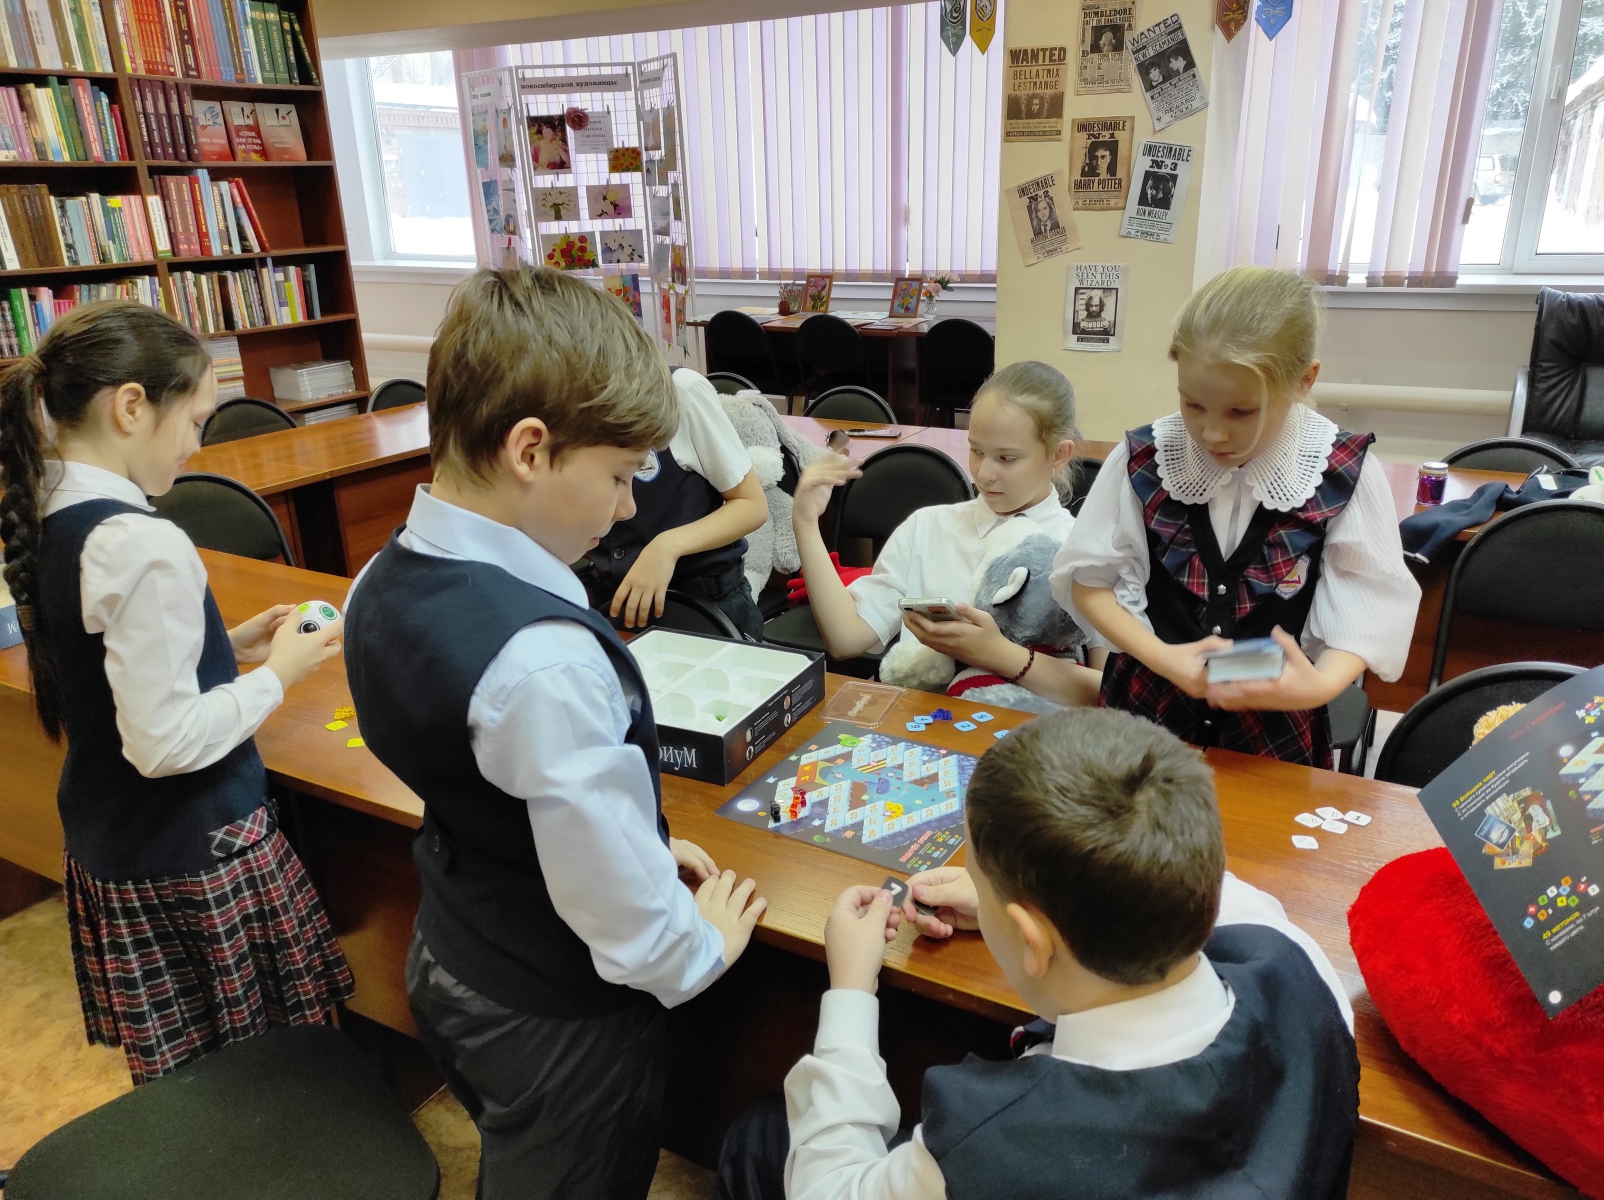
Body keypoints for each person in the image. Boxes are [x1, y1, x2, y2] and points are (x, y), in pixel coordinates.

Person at [342, 268, 767, 1200]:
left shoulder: (380, 578)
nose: (628, 508)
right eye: (618, 476)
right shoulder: (544, 660)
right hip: (557, 1023)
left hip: (450, 950)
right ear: (530, 450)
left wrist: (624, 838)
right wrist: (700, 944)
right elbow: (635, 931)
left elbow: (495, 779)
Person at [715, 707, 1359, 1200]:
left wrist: (851, 992)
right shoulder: (1300, 972)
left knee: (761, 1138)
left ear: (1031, 941)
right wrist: (1025, 902)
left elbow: (827, 1191)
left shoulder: (987, 1145)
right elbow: (1226, 890)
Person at [0, 301, 353, 1086]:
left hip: (114, 839)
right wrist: (278, 674)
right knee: (264, 1069)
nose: (198, 446)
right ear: (130, 407)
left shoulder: (50, 505)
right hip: (192, 852)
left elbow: (108, 661)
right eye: (193, 421)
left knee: (194, 1071)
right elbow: (163, 744)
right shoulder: (143, 543)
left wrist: (224, 644)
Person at [1051, 266, 1420, 766]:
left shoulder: (1339, 472)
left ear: (1304, 380)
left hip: (1271, 729)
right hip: (1144, 712)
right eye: (1192, 404)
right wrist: (1165, 658)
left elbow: (1367, 610)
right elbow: (1091, 585)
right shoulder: (1146, 457)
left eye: (1240, 412)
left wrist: (1317, 687)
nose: (1212, 433)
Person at [791, 361, 1101, 704]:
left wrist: (997, 654)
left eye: (1007, 458)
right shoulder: (927, 527)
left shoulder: (1081, 549)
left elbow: (1109, 693)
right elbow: (846, 638)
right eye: (976, 450)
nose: (984, 473)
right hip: (925, 721)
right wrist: (806, 522)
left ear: (1058, 454)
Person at [578, 367, 768, 639]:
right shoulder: (562, 399)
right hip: (617, 604)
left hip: (707, 604)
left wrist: (667, 547)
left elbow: (752, 505)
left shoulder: (681, 390)